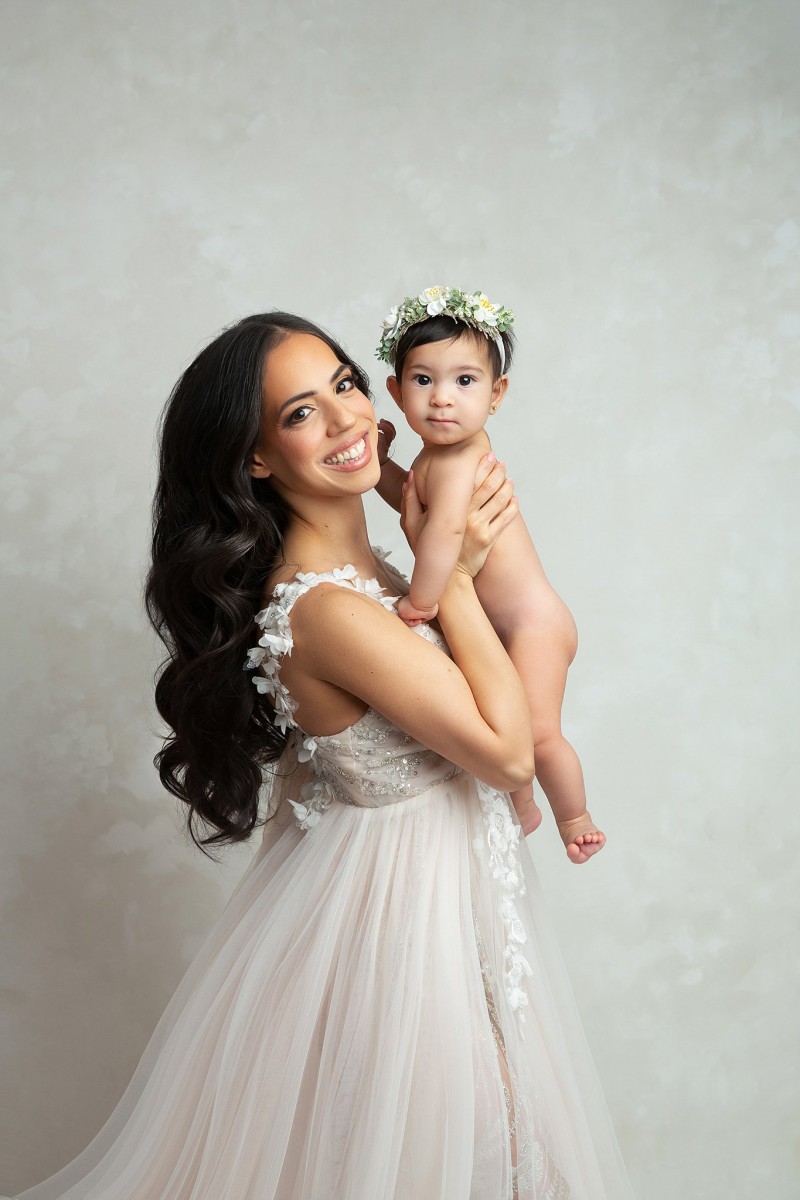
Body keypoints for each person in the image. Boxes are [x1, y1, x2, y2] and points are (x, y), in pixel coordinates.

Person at [13, 312, 632, 1200]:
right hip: (402, 942)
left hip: (457, 920)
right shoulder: (326, 611)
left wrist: (424, 537)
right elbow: (504, 754)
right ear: (256, 458)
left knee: (510, 1161)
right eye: (300, 413)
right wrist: (451, 572)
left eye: (346, 385)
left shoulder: (379, 576)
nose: (346, 421)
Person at [374, 286, 604, 861]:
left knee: (536, 733)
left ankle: (574, 818)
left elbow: (446, 535)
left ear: (496, 394)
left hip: (534, 624)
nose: (442, 399)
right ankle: (521, 806)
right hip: (501, 622)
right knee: (504, 714)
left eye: (465, 382)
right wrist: (381, 468)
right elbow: (410, 500)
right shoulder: (436, 456)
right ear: (396, 391)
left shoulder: (458, 462)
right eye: (423, 381)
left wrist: (420, 603)